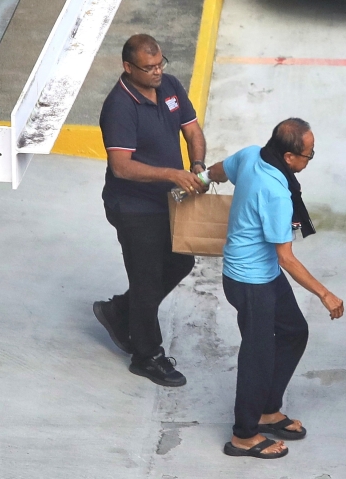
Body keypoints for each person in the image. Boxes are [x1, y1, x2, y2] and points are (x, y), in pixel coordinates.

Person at [207, 118, 344, 459]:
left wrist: (199, 178)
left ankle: (268, 410)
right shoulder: (276, 193)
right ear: (288, 156)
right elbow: (287, 258)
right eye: (308, 155)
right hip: (249, 281)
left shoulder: (252, 155)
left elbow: (219, 170)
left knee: (294, 331)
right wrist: (324, 294)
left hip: (263, 274)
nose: (310, 160)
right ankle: (244, 435)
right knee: (258, 355)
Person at [92, 34, 207, 387]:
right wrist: (173, 173)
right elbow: (121, 167)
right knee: (146, 278)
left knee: (181, 261)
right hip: (133, 207)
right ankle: (147, 356)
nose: (157, 72)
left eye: (160, 64)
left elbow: (191, 130)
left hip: (168, 202)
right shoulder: (119, 107)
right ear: (128, 67)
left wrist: (198, 165)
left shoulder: (169, 86)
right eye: (149, 67)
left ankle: (120, 310)